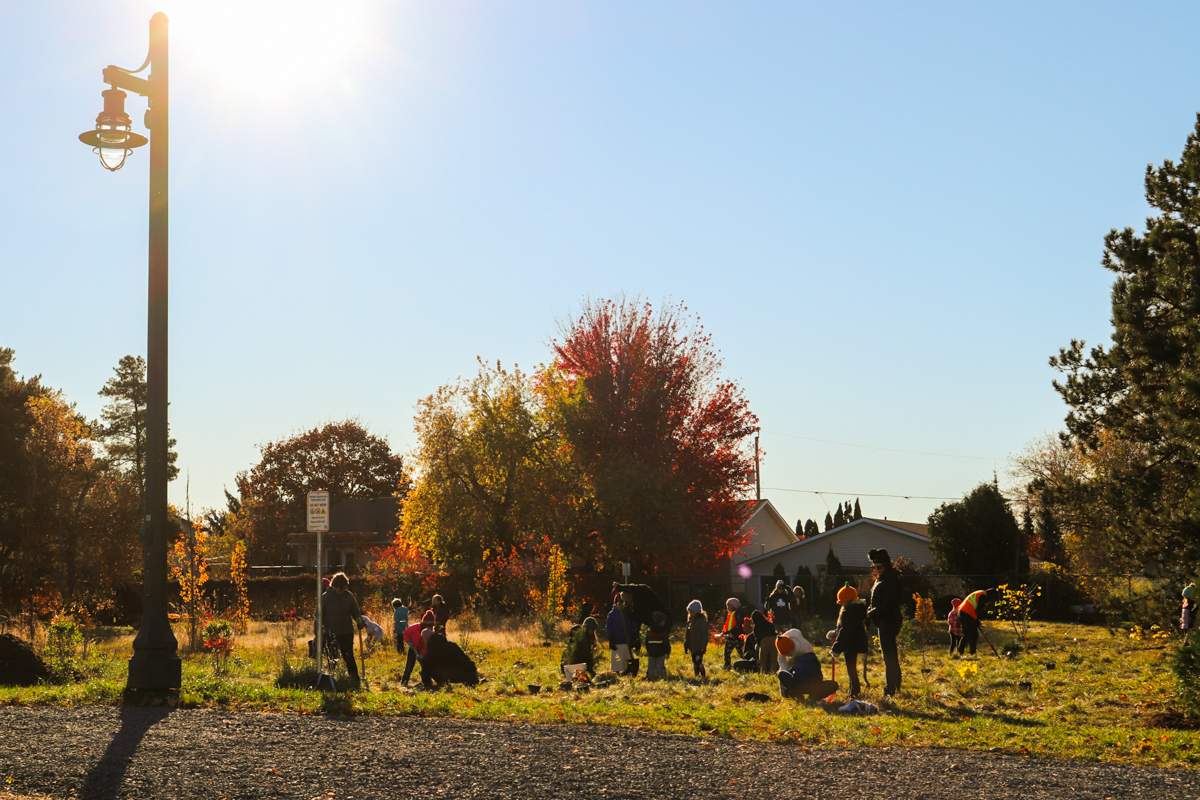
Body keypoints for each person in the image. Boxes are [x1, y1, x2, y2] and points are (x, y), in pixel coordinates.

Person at [317, 572, 366, 689]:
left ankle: (354, 678)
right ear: (334, 586)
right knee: (332, 657)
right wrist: (317, 631)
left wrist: (359, 620)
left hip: (346, 631)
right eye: (341, 588)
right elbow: (318, 616)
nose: (343, 590)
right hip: (330, 632)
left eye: (345, 587)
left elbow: (355, 612)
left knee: (348, 655)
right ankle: (332, 679)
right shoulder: (325, 598)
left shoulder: (349, 596)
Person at [866, 548, 903, 697]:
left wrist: (872, 612)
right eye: (874, 567)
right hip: (883, 620)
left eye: (879, 567)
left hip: (889, 620)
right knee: (889, 654)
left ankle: (891, 688)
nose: (876, 570)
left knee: (889, 655)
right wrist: (870, 609)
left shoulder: (892, 580)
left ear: (886, 565)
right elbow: (877, 600)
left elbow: (889, 604)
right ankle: (895, 685)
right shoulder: (882, 578)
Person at [776, 628, 838, 703]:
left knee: (782, 674)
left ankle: (797, 694)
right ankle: (815, 696)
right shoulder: (812, 658)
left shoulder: (803, 649)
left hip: (798, 686)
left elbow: (785, 672)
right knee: (834, 684)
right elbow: (819, 674)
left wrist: (786, 688)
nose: (790, 656)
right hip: (814, 686)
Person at [830, 583, 869, 698]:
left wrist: (836, 648)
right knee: (852, 669)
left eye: (841, 601)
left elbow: (845, 631)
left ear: (846, 600)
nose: (841, 603)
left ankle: (854, 692)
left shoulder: (848, 612)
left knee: (851, 670)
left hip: (851, 643)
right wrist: (835, 632)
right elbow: (844, 628)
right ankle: (853, 691)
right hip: (855, 642)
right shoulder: (857, 610)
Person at [400, 610, 436, 686]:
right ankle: (404, 682)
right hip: (413, 649)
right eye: (427, 626)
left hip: (423, 652)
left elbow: (427, 646)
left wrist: (422, 654)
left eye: (431, 626)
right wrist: (409, 642)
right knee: (409, 667)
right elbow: (406, 633)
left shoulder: (431, 634)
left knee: (425, 667)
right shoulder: (416, 627)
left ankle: (427, 682)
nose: (429, 628)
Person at [606, 594, 639, 674]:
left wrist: (634, 636)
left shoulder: (628, 614)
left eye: (622, 604)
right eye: (618, 604)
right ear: (615, 604)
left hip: (627, 642)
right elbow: (609, 627)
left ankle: (626, 671)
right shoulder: (612, 615)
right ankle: (616, 672)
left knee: (626, 658)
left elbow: (633, 624)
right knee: (617, 659)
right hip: (617, 643)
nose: (620, 606)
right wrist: (611, 639)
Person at [956, 589, 989, 656]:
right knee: (973, 635)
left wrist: (976, 620)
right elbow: (979, 609)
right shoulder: (983, 596)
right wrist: (977, 620)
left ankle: (960, 651)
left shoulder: (979, 593)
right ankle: (972, 653)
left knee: (966, 634)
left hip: (961, 612)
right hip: (968, 614)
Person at [719, 598, 748, 669]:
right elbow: (729, 625)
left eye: (729, 605)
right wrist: (724, 632)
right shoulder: (731, 614)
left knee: (742, 653)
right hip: (731, 636)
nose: (727, 607)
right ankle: (727, 665)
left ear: (734, 605)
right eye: (727, 605)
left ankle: (748, 664)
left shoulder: (739, 613)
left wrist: (732, 632)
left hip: (738, 637)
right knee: (727, 652)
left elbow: (739, 625)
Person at [684, 600, 709, 678]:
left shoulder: (702, 621)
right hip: (692, 645)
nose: (690, 613)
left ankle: (702, 673)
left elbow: (705, 634)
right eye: (689, 611)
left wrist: (703, 646)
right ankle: (697, 675)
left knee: (698, 659)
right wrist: (686, 644)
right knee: (694, 660)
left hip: (699, 646)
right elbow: (687, 635)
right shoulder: (690, 622)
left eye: (692, 611)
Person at [645, 611, 671, 679]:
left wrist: (648, 650)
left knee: (651, 665)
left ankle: (650, 675)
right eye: (663, 621)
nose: (664, 623)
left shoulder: (649, 630)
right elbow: (666, 642)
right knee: (660, 665)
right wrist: (667, 651)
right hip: (661, 652)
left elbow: (646, 641)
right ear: (659, 621)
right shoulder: (663, 631)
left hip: (651, 652)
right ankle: (660, 676)